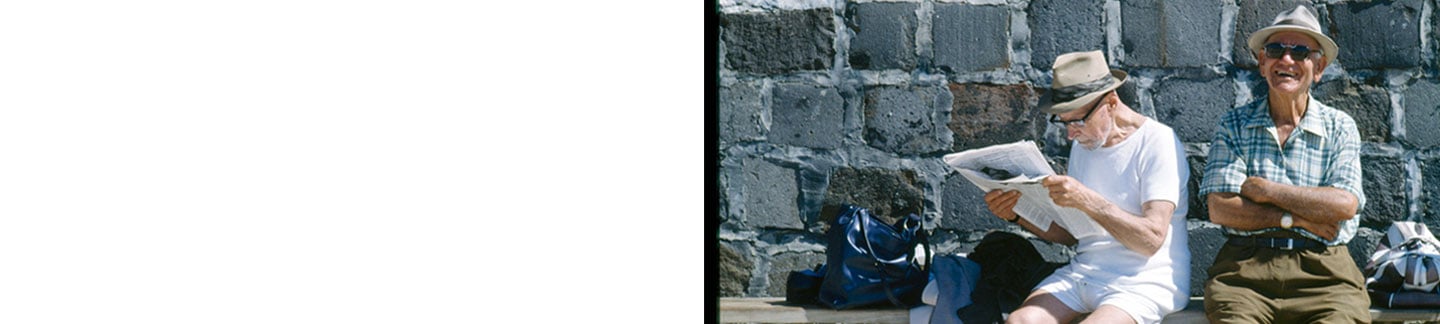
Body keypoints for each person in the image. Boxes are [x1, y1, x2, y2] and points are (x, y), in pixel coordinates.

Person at [983, 50, 1191, 324]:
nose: (1071, 133)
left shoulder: (1157, 142)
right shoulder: (1086, 144)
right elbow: (1073, 235)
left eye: (1078, 120)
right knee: (1021, 321)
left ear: (1111, 102)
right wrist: (1016, 214)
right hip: (1085, 272)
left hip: (1144, 279)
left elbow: (1151, 240)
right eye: (1065, 122)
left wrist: (1088, 200)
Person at [1199, 5, 1369, 323]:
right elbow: (1221, 208)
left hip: (1326, 277)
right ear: (1263, 63)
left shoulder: (1340, 127)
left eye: (1301, 52)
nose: (1286, 60)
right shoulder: (1233, 124)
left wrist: (1264, 189)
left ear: (1318, 68)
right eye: (1276, 50)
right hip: (1244, 275)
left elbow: (1343, 204)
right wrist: (1299, 219)